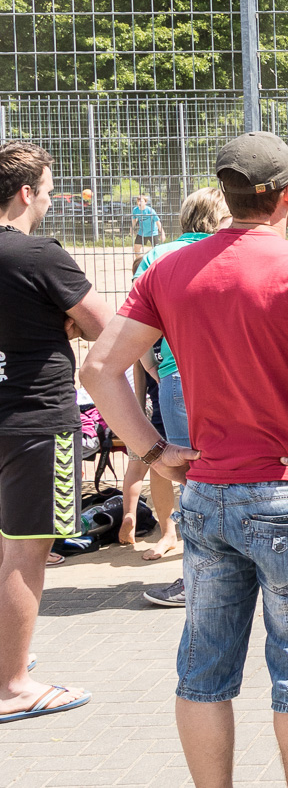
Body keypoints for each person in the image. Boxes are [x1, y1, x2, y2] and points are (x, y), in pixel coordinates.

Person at [81, 131, 288, 788]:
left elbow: (100, 366)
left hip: (208, 492)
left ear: (226, 194)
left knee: (204, 669)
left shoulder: (168, 268)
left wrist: (154, 450)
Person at [0, 142, 112, 722]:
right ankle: (11, 685)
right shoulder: (39, 254)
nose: (48, 198)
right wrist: (59, 320)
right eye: (46, 189)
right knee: (30, 548)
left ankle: (6, 661)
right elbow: (104, 329)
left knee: (8, 543)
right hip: (39, 417)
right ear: (26, 193)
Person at [132, 188, 232, 591]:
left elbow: (134, 331)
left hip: (177, 375)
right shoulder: (230, 249)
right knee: (233, 470)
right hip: (233, 375)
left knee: (190, 477)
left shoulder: (156, 256)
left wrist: (158, 371)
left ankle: (200, 577)